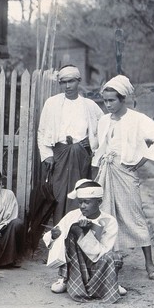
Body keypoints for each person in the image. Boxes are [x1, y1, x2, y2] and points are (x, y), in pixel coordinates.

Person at [93, 75, 154, 281]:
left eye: (112, 100)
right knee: (105, 214)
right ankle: (109, 260)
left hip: (126, 172)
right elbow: (100, 146)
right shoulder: (102, 121)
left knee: (134, 215)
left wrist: (142, 161)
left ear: (122, 99)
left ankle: (149, 264)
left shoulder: (137, 119)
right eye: (105, 100)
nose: (107, 105)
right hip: (106, 170)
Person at [37, 65, 104, 225]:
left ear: (78, 81)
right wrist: (47, 155)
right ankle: (60, 232)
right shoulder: (52, 104)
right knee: (59, 195)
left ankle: (78, 230)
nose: (67, 86)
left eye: (71, 81)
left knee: (79, 193)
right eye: (63, 82)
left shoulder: (89, 105)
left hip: (80, 155)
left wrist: (93, 140)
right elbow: (42, 130)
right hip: (59, 154)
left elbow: (104, 126)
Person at [43, 179, 125, 303]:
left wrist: (86, 233)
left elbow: (103, 251)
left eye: (86, 202)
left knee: (113, 257)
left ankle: (110, 282)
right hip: (75, 261)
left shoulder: (109, 221)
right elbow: (53, 235)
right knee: (69, 234)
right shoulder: (73, 215)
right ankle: (66, 279)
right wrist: (54, 235)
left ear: (99, 202)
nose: (82, 206)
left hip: (96, 263)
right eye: (80, 202)